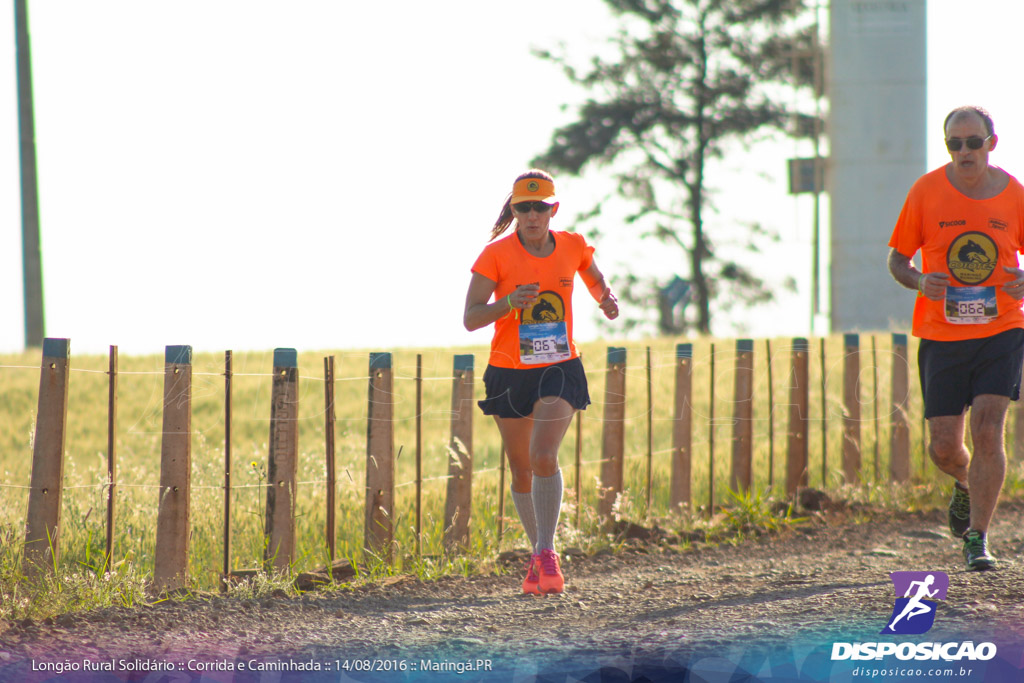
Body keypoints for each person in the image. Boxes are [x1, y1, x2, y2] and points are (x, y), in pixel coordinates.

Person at [463, 169, 619, 594]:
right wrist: (508, 303)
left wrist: (605, 298)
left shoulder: (571, 245)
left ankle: (547, 553)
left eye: (540, 207)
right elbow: (471, 318)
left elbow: (592, 275)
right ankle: (538, 556)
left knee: (543, 456)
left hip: (559, 368)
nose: (532, 215)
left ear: (554, 209)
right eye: (523, 208)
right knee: (521, 469)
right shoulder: (495, 255)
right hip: (509, 371)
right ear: (514, 210)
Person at [887, 105, 1024, 571]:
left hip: (1001, 327)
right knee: (944, 447)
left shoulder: (1014, 195)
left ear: (992, 143)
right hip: (941, 333)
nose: (964, 151)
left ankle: (978, 539)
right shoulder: (926, 191)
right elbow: (898, 261)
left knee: (988, 429)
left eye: (973, 142)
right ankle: (968, 482)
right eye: (954, 143)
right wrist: (919, 281)